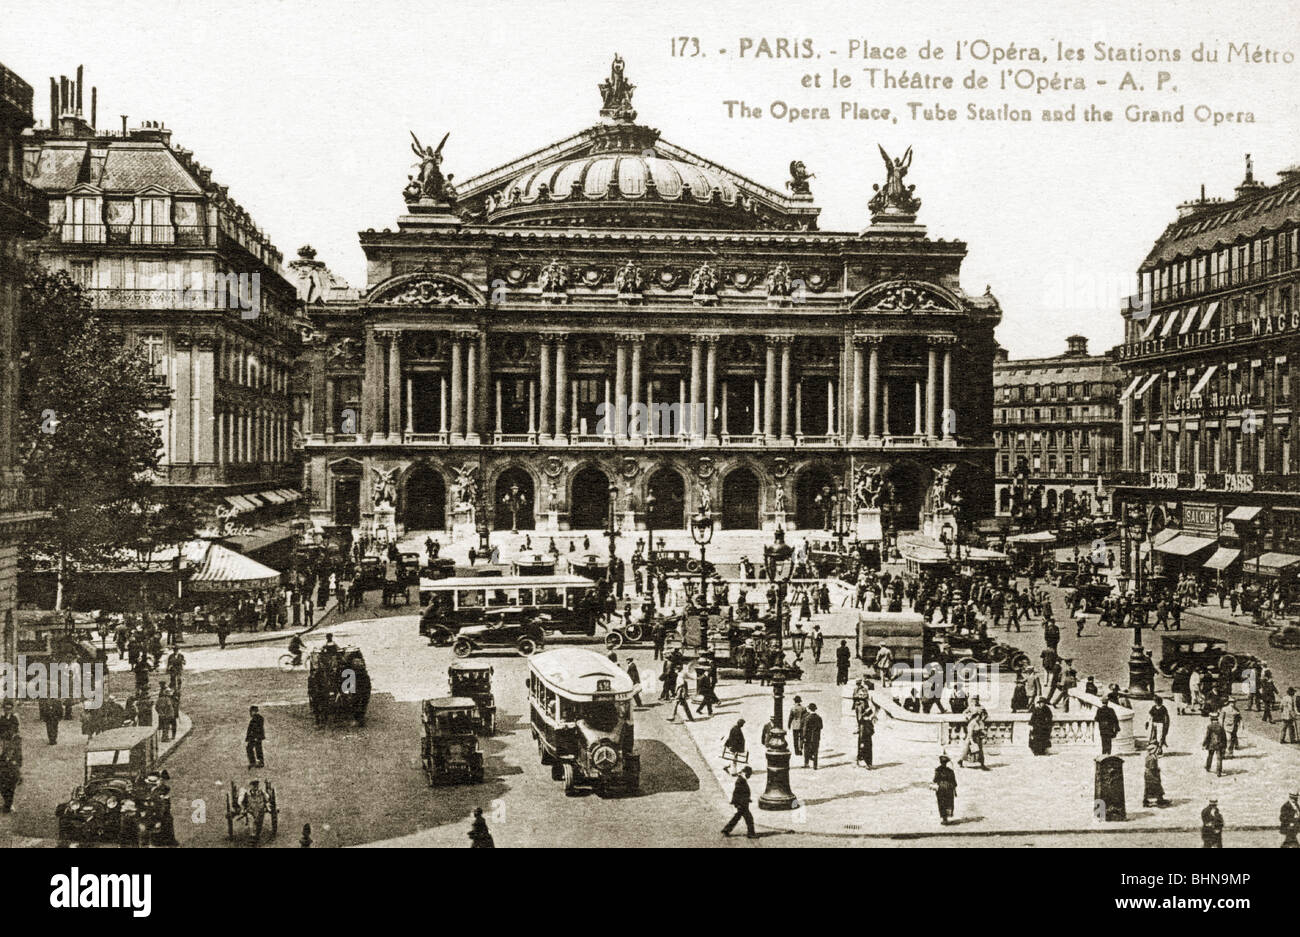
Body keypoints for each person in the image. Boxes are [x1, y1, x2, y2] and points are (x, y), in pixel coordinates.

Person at [721, 766, 757, 838]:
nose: (749, 776)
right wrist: (737, 803)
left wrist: (748, 799)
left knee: (737, 817)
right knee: (749, 819)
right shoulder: (740, 781)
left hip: (742, 803)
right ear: (745, 773)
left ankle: (726, 829)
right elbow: (736, 793)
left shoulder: (742, 779)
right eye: (749, 774)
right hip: (742, 804)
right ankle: (751, 834)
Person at [959, 697, 987, 769]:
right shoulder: (972, 722)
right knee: (966, 750)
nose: (975, 701)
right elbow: (964, 712)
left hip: (977, 737)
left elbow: (985, 715)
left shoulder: (981, 708)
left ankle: (982, 764)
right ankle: (960, 761)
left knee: (980, 750)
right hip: (971, 737)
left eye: (976, 700)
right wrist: (967, 717)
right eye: (973, 700)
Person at [933, 755, 957, 824]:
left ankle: (944, 818)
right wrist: (954, 789)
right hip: (949, 788)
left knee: (941, 803)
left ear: (940, 762)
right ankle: (946, 818)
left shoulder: (938, 770)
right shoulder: (950, 771)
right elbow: (954, 782)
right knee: (949, 803)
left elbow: (935, 780)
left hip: (941, 788)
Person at [802, 703, 823, 770]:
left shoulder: (807, 718)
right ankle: (815, 765)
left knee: (806, 750)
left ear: (809, 709)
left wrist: (804, 736)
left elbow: (805, 728)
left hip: (808, 737)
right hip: (816, 737)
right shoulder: (819, 717)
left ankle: (806, 763)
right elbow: (821, 727)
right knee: (816, 751)